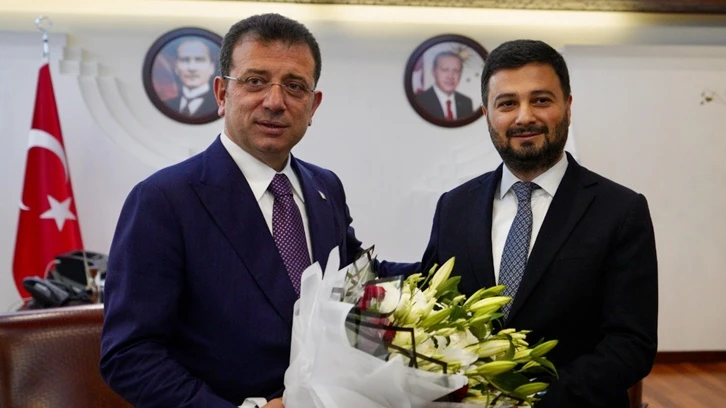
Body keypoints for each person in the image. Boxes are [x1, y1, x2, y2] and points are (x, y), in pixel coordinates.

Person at [100, 13, 414, 408]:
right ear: (221, 93)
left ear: (313, 105)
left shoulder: (325, 187)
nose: (275, 101)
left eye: (294, 86)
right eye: (255, 81)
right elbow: (129, 355)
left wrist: (457, 254)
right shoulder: (163, 200)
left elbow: (356, 275)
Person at [421, 39, 658, 407]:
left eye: (541, 100)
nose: (524, 117)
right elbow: (432, 312)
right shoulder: (454, 207)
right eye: (507, 103)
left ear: (568, 107)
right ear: (487, 114)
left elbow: (631, 343)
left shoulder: (621, 210)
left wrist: (536, 400)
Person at [165, 38, 218, 117]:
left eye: (199, 60)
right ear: (176, 67)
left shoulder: (221, 105)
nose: (192, 68)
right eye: (185, 60)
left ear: (212, 67)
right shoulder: (168, 104)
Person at [415, 50, 474, 120]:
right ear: (433, 72)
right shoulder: (419, 102)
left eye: (456, 70)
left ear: (460, 74)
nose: (450, 76)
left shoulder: (466, 102)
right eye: (445, 69)